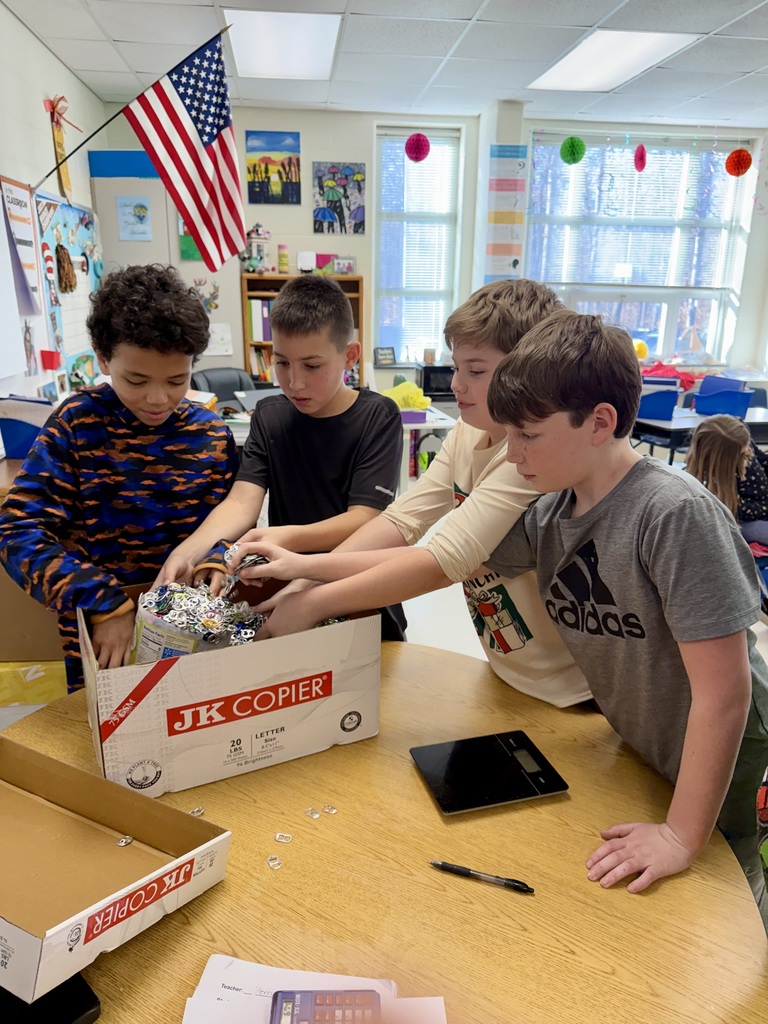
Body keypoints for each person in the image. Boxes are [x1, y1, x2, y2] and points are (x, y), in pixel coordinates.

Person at [478, 308, 767, 915]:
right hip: (650, 729)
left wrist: (682, 835)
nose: (511, 454)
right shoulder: (551, 510)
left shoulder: (672, 514)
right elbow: (454, 551)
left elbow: (726, 695)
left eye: (527, 434)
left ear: (600, 422)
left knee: (726, 888)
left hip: (725, 741)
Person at [232, 279, 591, 708]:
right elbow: (401, 521)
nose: (456, 385)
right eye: (456, 367)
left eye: (475, 371)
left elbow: (445, 560)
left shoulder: (527, 457)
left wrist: (311, 596)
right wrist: (302, 578)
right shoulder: (466, 435)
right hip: (508, 666)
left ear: (526, 372)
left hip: (570, 688)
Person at [0, 264, 239, 690]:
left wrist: (218, 559)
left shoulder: (212, 435)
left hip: (199, 635)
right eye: (136, 379)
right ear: (103, 358)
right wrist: (105, 603)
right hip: (106, 636)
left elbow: (230, 527)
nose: (156, 398)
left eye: (177, 380)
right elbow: (17, 533)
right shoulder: (76, 425)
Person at [157, 274, 406, 638]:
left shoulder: (378, 417)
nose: (295, 382)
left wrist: (283, 537)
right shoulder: (270, 416)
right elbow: (242, 502)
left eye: (312, 365)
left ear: (349, 356)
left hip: (356, 591)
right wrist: (190, 550)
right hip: (284, 592)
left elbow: (365, 519)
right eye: (283, 363)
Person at [686, 414, 768, 545]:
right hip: (745, 521)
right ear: (726, 463)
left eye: (749, 447)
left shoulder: (740, 441)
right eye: (744, 455)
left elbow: (763, 459)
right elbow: (747, 512)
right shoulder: (714, 486)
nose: (749, 454)